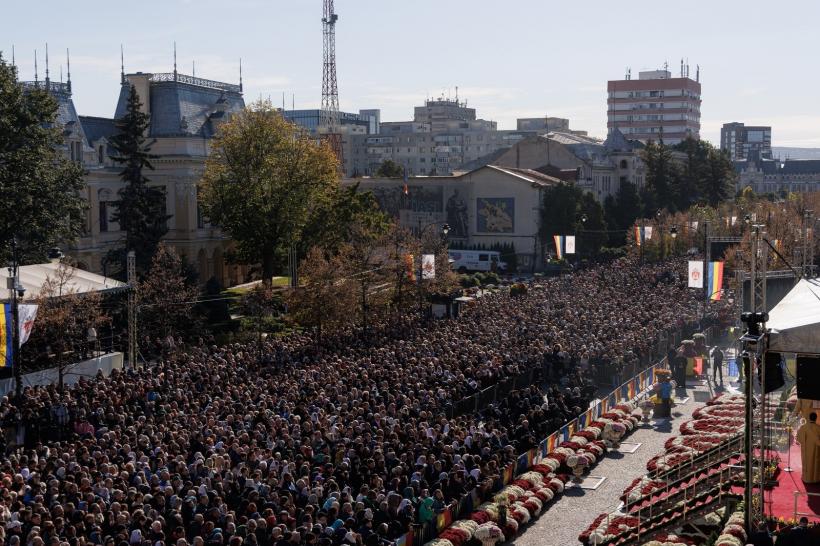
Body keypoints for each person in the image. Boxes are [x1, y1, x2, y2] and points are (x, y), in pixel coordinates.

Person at [796, 413, 820, 483]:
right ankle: (816, 479)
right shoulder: (819, 428)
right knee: (816, 463)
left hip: (806, 450)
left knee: (807, 463)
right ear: (816, 418)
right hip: (816, 450)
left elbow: (798, 438)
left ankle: (807, 478)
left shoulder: (804, 427)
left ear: (809, 418)